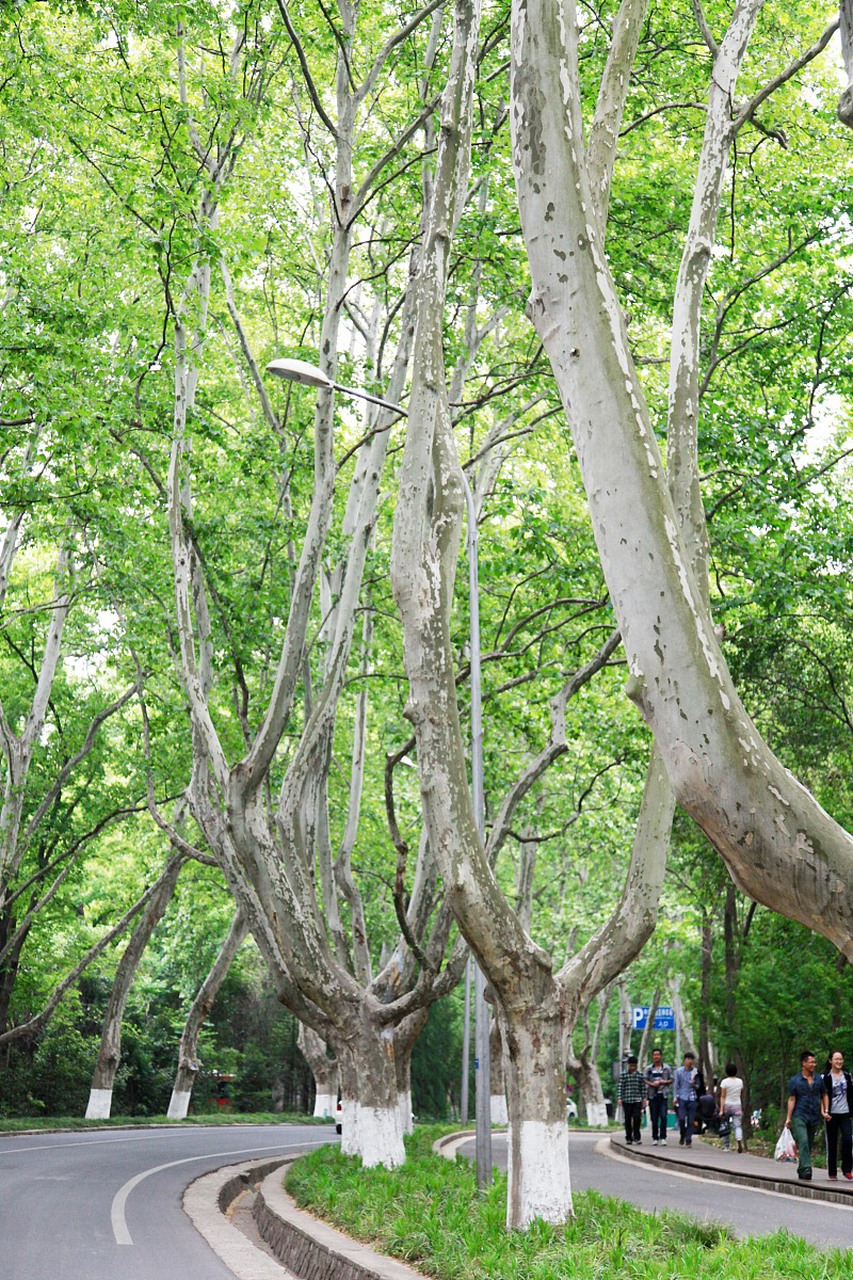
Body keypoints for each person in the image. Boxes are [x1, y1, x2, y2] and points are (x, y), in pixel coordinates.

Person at [785, 1050, 824, 1180]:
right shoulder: (795, 1080)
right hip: (799, 1115)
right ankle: (807, 1168)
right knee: (803, 1140)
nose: (814, 1064)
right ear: (804, 1063)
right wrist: (788, 1118)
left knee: (808, 1143)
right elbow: (792, 1099)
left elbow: (824, 1094)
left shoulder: (819, 1079)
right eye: (811, 1062)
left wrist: (825, 1111)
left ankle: (802, 1169)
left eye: (814, 1062)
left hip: (813, 1116)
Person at [821, 1049, 853, 1180]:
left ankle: (847, 1169)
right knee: (832, 1142)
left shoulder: (847, 1075)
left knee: (848, 1139)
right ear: (830, 1061)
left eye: (841, 1059)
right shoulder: (826, 1077)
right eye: (836, 1059)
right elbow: (822, 1095)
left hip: (845, 1112)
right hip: (831, 1114)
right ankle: (832, 1171)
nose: (839, 1061)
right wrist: (824, 1111)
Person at [644, 1047, 673, 1146]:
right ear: (652, 1056)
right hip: (652, 1096)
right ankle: (655, 1137)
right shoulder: (648, 1069)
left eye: (658, 1054)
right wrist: (652, 1084)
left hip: (663, 1095)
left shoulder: (666, 1068)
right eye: (654, 1055)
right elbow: (645, 1080)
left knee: (664, 1117)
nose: (656, 1056)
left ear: (661, 1056)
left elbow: (671, 1079)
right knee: (654, 1118)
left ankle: (663, 1137)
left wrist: (663, 1082)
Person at [617, 1054, 646, 1144]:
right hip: (627, 1100)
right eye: (631, 1065)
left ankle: (637, 1137)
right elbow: (620, 1086)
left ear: (636, 1065)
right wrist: (619, 1098)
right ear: (628, 1065)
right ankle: (628, 1137)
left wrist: (644, 1099)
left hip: (637, 1100)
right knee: (628, 1119)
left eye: (634, 1065)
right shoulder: (624, 1075)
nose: (632, 1067)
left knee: (637, 1118)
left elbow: (643, 1087)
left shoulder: (640, 1075)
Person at [673, 1051, 699, 1147]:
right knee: (682, 1118)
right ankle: (682, 1135)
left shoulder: (695, 1072)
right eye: (688, 1059)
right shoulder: (679, 1071)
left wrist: (694, 1084)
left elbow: (699, 1086)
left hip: (692, 1097)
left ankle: (688, 1139)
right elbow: (676, 1085)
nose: (690, 1061)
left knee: (691, 1120)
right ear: (684, 1060)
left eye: (691, 1059)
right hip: (682, 1097)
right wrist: (675, 1097)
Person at [719, 1061, 745, 1153]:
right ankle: (739, 1139)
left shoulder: (724, 1082)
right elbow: (740, 1093)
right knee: (737, 1126)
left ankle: (726, 1146)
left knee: (725, 1126)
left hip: (727, 1105)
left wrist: (721, 1110)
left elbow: (722, 1096)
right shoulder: (740, 1082)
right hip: (737, 1105)